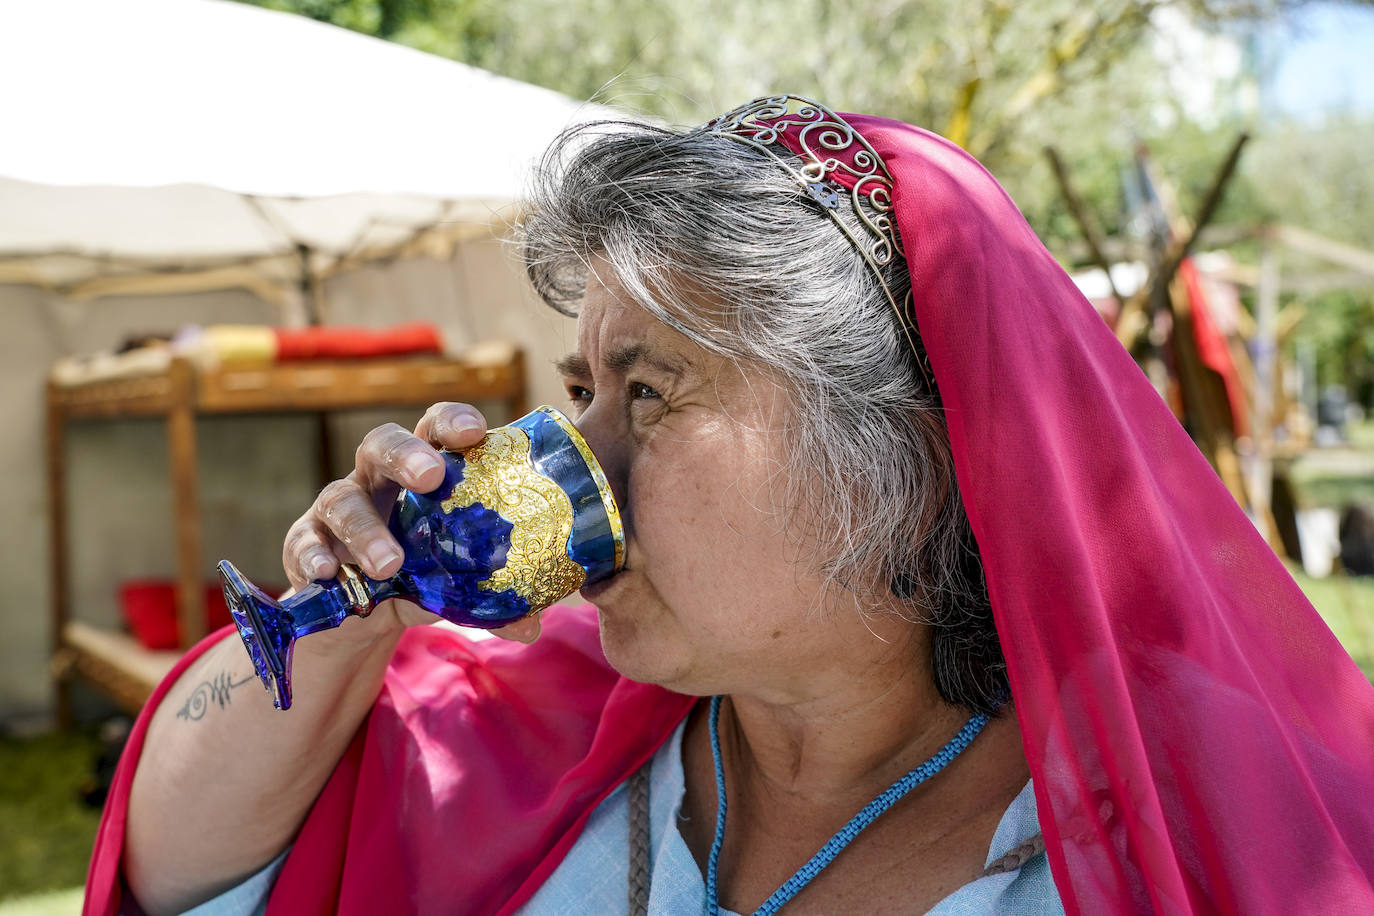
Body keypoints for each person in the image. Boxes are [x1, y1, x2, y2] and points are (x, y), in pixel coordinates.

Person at [85, 96, 1374, 915]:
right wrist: (353, 611)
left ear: (912, 459)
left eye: (650, 396)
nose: (570, 454)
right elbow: (177, 873)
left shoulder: (1201, 830)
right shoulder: (538, 724)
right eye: (579, 388)